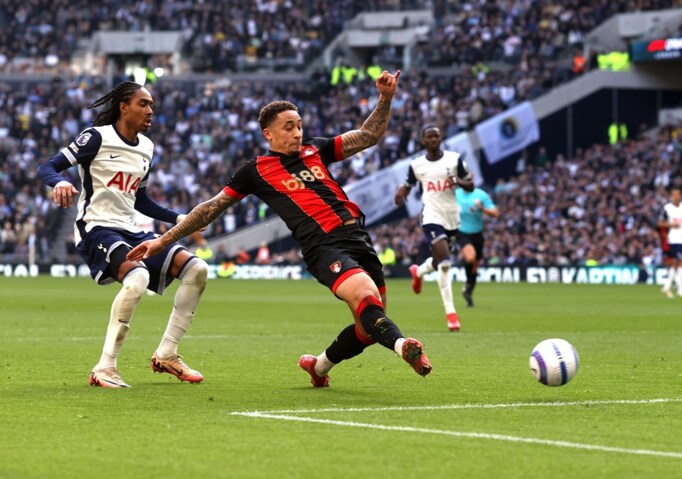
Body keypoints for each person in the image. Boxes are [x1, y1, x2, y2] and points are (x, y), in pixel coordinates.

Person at [127, 70, 432, 387]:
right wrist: (161, 241)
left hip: (359, 240)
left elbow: (368, 135)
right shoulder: (255, 171)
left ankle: (319, 366)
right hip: (323, 246)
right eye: (289, 127)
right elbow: (209, 209)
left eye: (299, 125)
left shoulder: (317, 149)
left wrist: (385, 97)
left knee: (369, 329)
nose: (298, 133)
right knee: (366, 298)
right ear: (268, 134)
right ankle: (403, 347)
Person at [37, 81, 208, 388]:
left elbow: (140, 200)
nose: (150, 110)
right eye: (143, 104)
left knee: (197, 270)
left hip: (132, 229)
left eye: (152, 105)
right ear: (123, 107)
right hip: (96, 227)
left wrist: (179, 218)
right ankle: (105, 367)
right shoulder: (96, 138)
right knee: (138, 278)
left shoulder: (147, 147)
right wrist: (59, 182)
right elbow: (48, 166)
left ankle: (167, 353)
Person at [394, 126, 474, 331]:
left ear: (441, 138)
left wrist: (458, 181)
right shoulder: (417, 165)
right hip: (431, 216)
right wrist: (401, 193)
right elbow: (408, 184)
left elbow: (470, 185)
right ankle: (451, 314)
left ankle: (418, 271)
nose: (433, 139)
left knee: (439, 261)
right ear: (423, 141)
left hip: (452, 217)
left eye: (436, 136)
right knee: (446, 262)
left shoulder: (454, 160)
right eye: (429, 137)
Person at [455, 185, 499, 307]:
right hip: (461, 232)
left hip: (477, 235)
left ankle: (468, 291)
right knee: (470, 257)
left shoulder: (481, 195)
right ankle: (467, 286)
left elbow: (496, 213)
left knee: (474, 266)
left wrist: (482, 208)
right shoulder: (455, 194)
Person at [657, 186, 682, 298]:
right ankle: (680, 289)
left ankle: (667, 287)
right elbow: (660, 223)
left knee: (676, 264)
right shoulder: (667, 208)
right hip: (672, 239)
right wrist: (671, 225)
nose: (674, 197)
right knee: (680, 263)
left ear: (680, 196)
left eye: (677, 194)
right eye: (673, 195)